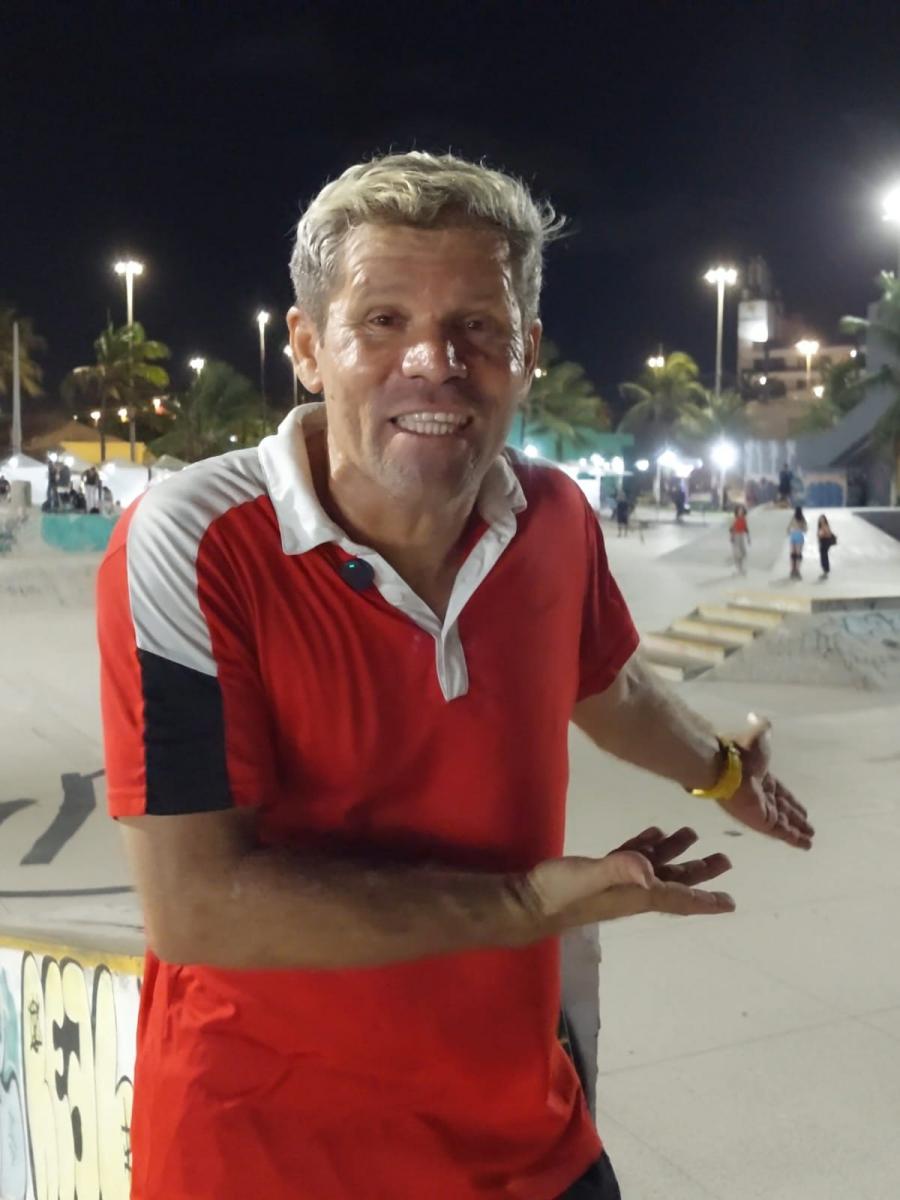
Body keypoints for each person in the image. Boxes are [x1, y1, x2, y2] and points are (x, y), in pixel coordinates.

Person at [98, 152, 813, 1200]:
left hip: (527, 1137)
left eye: (477, 324)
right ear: (308, 346)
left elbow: (609, 689)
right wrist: (525, 902)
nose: (434, 362)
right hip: (265, 1157)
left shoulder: (554, 517)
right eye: (382, 320)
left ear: (527, 353)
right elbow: (201, 906)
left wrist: (722, 771)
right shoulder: (194, 539)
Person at [787, 505, 808, 579]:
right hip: (799, 535)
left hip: (793, 535)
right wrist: (801, 529)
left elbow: (788, 527)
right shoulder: (802, 519)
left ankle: (793, 570)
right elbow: (805, 529)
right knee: (798, 555)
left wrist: (789, 531)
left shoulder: (793, 518)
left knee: (793, 554)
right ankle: (797, 570)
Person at [730, 503, 750, 574]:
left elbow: (746, 528)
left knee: (743, 553)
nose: (740, 512)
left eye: (741, 510)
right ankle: (738, 569)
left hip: (741, 536)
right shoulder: (735, 519)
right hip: (736, 536)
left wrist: (748, 538)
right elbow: (731, 529)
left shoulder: (744, 519)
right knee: (738, 554)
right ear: (737, 511)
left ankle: (741, 568)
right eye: (739, 510)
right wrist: (732, 536)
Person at [817, 514, 837, 579]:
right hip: (822, 542)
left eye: (822, 519)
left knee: (824, 556)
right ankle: (825, 570)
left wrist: (823, 534)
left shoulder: (825, 526)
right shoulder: (820, 526)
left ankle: (826, 570)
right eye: (820, 519)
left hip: (825, 542)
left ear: (824, 520)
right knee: (823, 556)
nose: (821, 520)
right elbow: (819, 535)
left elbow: (829, 534)